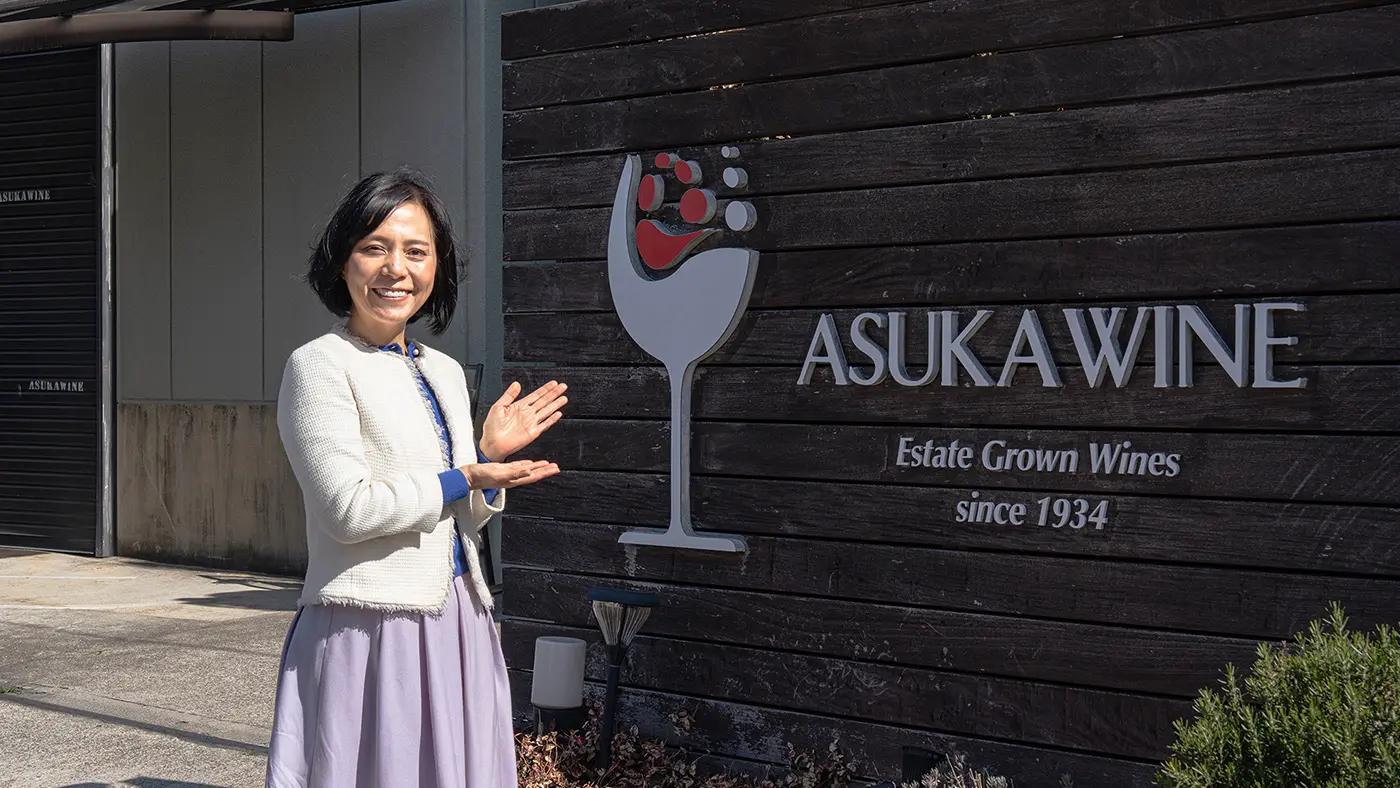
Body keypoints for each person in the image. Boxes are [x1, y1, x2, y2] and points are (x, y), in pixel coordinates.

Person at [265, 168, 566, 787]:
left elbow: (463, 516)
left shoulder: (446, 371)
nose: (394, 268)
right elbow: (347, 511)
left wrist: (486, 463)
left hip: (460, 613)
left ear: (437, 268)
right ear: (342, 261)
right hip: (371, 623)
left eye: (415, 251)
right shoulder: (319, 366)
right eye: (374, 247)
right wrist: (462, 475)